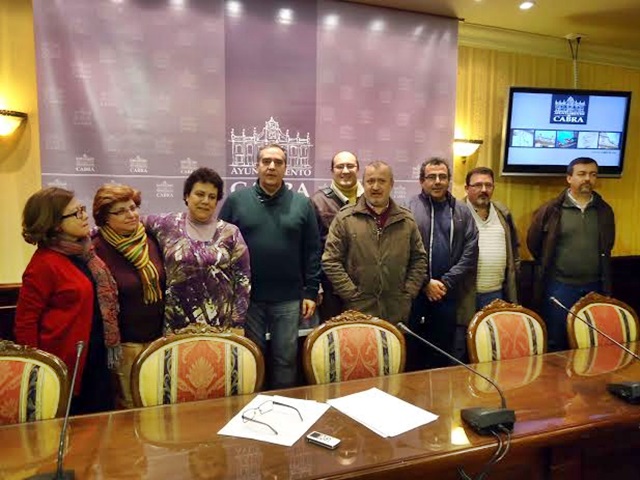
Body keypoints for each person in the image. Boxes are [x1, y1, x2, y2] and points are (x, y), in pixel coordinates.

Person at [219, 144, 321, 389]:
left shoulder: (302, 204)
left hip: (288, 298)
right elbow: (221, 247)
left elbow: (313, 250)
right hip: (247, 298)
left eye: (278, 162)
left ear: (286, 168)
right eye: (266, 161)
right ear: (257, 166)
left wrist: (310, 291)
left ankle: (284, 404)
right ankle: (253, 406)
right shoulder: (236, 201)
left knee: (285, 360)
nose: (271, 166)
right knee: (252, 358)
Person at [14, 187, 118, 414]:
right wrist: (39, 370)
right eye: (76, 213)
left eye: (83, 209)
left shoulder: (86, 253)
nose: (84, 216)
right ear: (55, 224)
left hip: (96, 357)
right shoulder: (43, 264)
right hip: (66, 363)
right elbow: (25, 323)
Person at [145, 167, 251, 333]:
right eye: (200, 194)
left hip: (220, 329)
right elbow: (129, 223)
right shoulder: (166, 225)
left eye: (212, 197)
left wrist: (237, 325)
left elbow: (243, 282)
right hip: (176, 328)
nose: (205, 201)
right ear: (187, 196)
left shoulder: (231, 233)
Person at [527, 157, 615, 352]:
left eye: (592, 174)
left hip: (595, 286)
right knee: (557, 341)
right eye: (581, 174)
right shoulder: (551, 210)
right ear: (569, 178)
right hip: (560, 286)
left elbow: (608, 244)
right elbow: (534, 243)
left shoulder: (604, 210)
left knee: (590, 341)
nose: (587, 179)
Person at [322, 161, 427, 323]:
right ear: (363, 184)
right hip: (357, 310)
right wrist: (351, 294)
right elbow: (330, 260)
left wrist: (408, 292)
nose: (375, 187)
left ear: (391, 184)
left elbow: (419, 259)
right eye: (370, 181)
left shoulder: (406, 220)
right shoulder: (345, 219)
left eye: (381, 181)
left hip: (396, 310)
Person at [92, 184, 166, 409]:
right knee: (131, 406)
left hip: (159, 339)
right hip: (125, 345)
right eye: (121, 211)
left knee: (158, 401)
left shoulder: (151, 239)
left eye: (133, 208)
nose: (131, 215)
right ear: (105, 218)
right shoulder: (97, 248)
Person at [407, 158, 478, 369]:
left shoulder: (462, 211)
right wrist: (425, 282)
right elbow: (402, 251)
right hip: (416, 294)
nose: (437, 181)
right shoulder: (407, 209)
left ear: (449, 180)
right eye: (431, 177)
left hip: (448, 294)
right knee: (413, 353)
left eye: (442, 177)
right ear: (421, 181)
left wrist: (445, 282)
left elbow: (471, 251)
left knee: (441, 354)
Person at [459, 167, 520, 321]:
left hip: (497, 293)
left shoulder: (503, 213)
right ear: (466, 188)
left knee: (493, 335)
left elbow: (514, 249)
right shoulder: (455, 214)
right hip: (464, 296)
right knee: (464, 334)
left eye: (488, 185)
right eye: (478, 185)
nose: (484, 190)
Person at [311, 150, 364, 321]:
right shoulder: (318, 201)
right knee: (333, 333)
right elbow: (312, 248)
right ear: (332, 170)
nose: (345, 171)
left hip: (366, 286)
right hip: (331, 287)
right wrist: (316, 286)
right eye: (340, 166)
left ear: (358, 169)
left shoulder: (372, 199)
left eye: (350, 166)